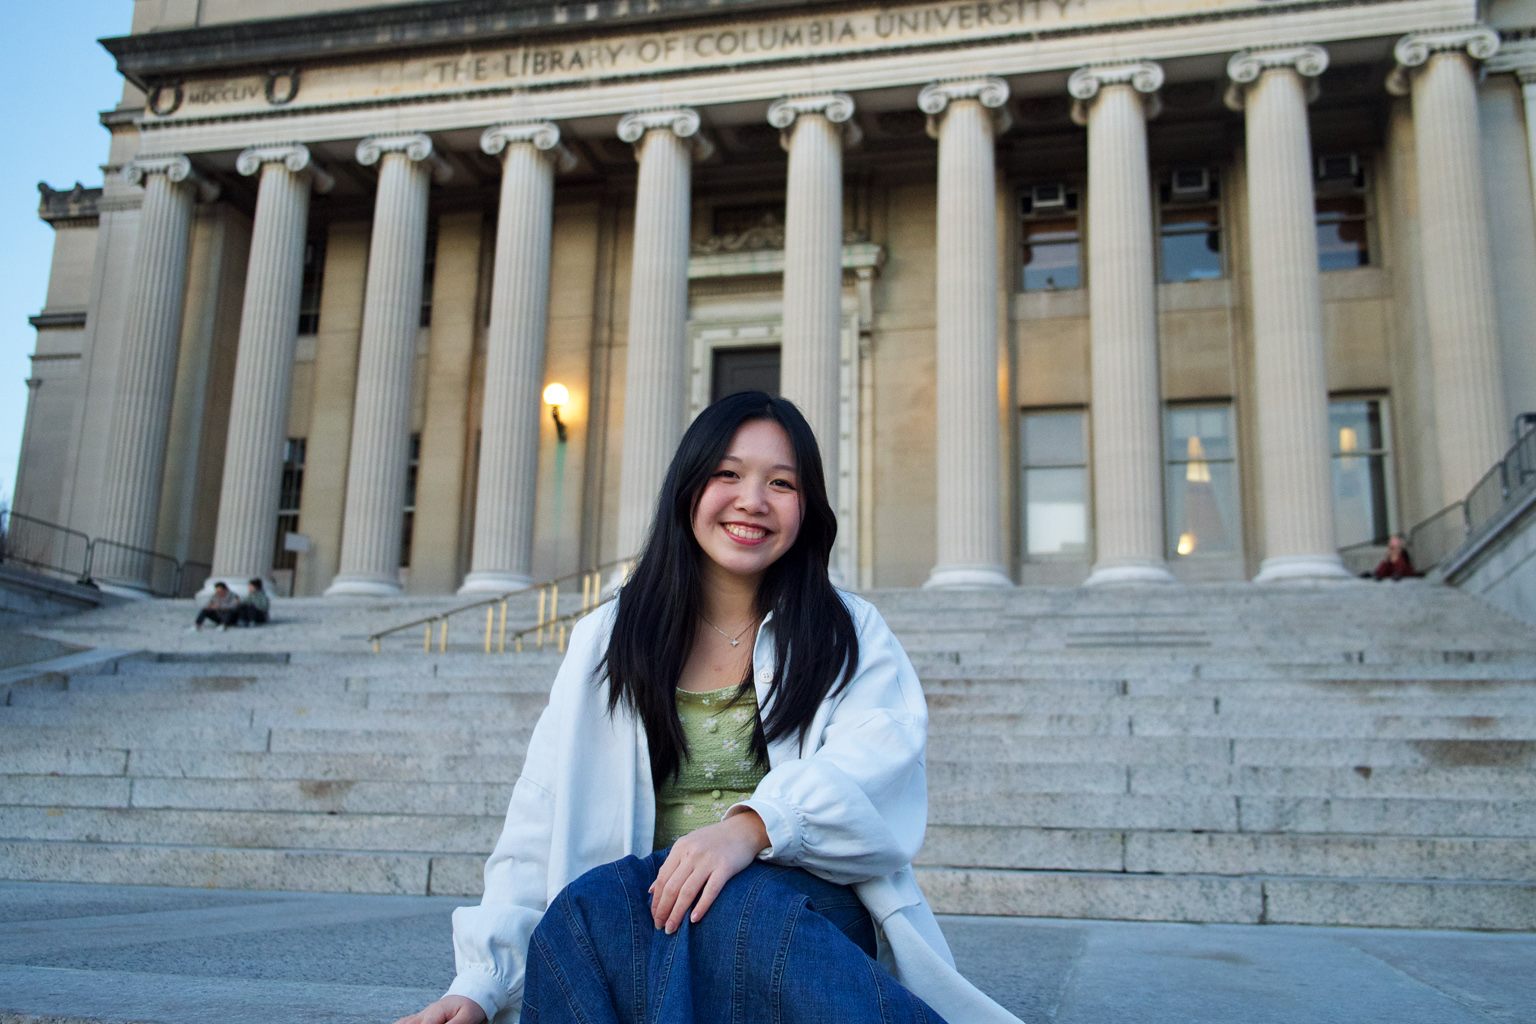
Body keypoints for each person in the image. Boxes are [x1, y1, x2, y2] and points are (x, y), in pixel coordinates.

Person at [396, 392, 1020, 1024]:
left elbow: (875, 765)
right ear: (688, 486)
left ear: (808, 508)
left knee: (720, 904)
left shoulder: (847, 632)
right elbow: (540, 818)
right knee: (587, 916)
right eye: (728, 474)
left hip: (800, 911)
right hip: (651, 913)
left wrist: (747, 832)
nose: (753, 500)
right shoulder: (607, 639)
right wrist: (478, 984)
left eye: (782, 482)